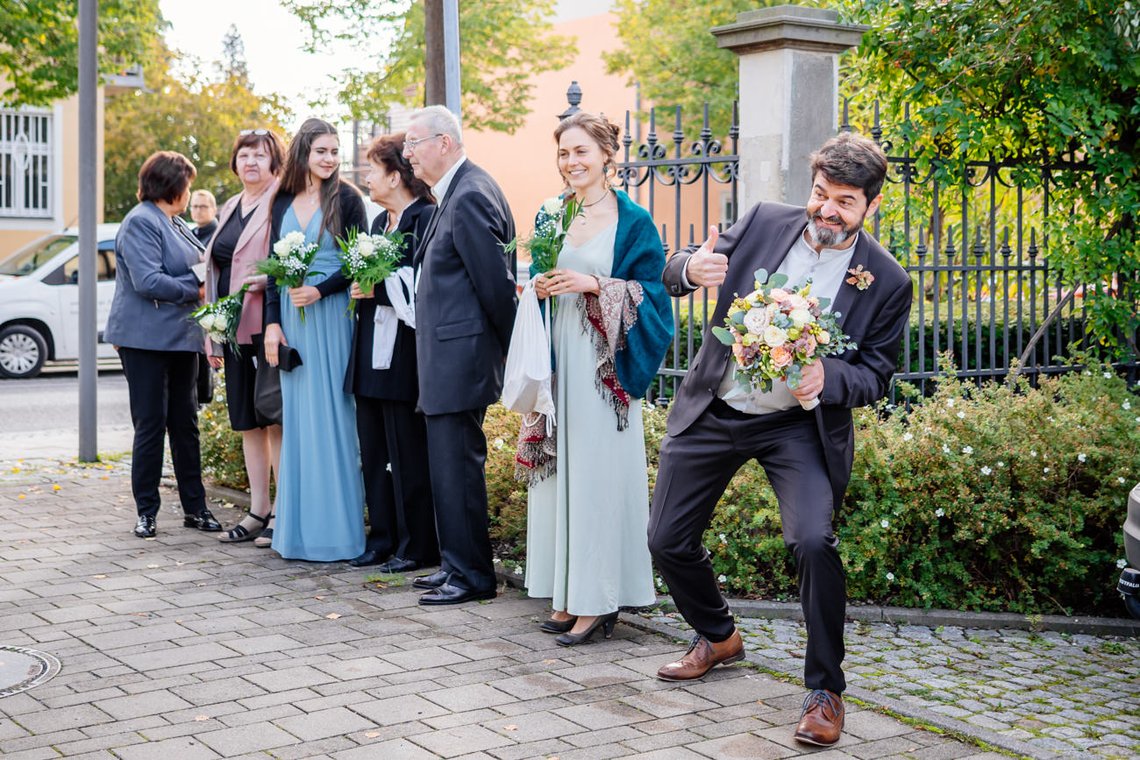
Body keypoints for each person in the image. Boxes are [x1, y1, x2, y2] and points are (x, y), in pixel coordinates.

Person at [647, 132, 912, 747]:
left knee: (814, 541)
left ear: (869, 205)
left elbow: (877, 373)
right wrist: (689, 268)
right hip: (717, 404)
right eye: (821, 194)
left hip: (797, 424)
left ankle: (825, 691)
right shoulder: (767, 220)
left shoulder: (888, 281)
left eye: (844, 202)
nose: (826, 210)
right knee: (666, 540)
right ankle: (718, 636)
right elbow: (676, 267)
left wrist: (831, 376)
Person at [524, 112, 673, 646]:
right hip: (559, 356)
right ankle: (566, 594)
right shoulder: (549, 214)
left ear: (608, 155)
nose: (571, 162)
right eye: (564, 153)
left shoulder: (633, 221)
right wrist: (536, 287)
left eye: (582, 151)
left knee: (596, 480)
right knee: (561, 477)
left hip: (604, 365)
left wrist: (594, 284)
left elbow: (654, 296)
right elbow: (530, 279)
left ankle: (598, 600)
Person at [402, 105, 518, 605]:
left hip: (461, 357)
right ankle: (455, 564)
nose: (406, 153)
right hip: (447, 356)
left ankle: (473, 577)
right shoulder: (452, 193)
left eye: (414, 142)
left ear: (444, 142)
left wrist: (513, 352)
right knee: (446, 467)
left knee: (458, 468)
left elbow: (496, 286)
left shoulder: (469, 194)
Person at [263, 118, 367, 561]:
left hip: (332, 318)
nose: (330, 159)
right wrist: (272, 323)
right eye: (322, 150)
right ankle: (296, 535)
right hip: (292, 318)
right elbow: (270, 266)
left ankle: (340, 534)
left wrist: (322, 289)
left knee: (336, 420)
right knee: (299, 425)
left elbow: (362, 260)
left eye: (335, 151)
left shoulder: (347, 198)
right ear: (303, 151)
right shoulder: (282, 199)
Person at [104, 151, 222, 539]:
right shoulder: (141, 221)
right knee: (151, 424)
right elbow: (147, 281)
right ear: (173, 186)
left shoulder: (177, 223)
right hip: (145, 340)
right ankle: (147, 510)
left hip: (180, 339)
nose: (189, 193)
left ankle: (195, 507)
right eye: (187, 185)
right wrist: (198, 289)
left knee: (185, 425)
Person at [345, 133, 440, 572]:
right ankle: (381, 537)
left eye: (372, 169)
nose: (367, 177)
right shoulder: (376, 224)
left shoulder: (423, 219)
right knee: (373, 450)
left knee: (406, 454)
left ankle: (416, 543)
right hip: (369, 350)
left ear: (396, 174)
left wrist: (377, 287)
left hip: (404, 356)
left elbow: (423, 286)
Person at [203, 129, 286, 544]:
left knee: (273, 420)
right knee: (247, 423)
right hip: (232, 330)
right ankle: (258, 509)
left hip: (267, 327)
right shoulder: (232, 204)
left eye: (260, 155)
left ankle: (283, 514)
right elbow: (216, 268)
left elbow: (288, 260)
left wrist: (264, 281)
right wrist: (212, 335)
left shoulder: (281, 201)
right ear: (234, 162)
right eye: (244, 155)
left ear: (275, 162)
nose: (251, 162)